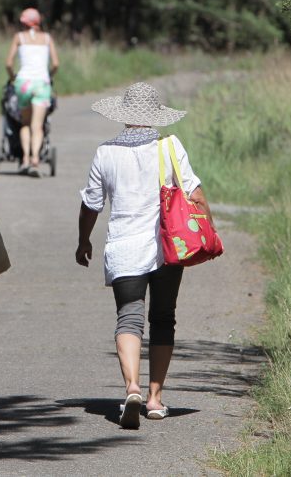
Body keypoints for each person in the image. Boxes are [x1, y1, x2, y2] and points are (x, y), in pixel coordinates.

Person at [74, 82, 214, 430]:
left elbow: (91, 204)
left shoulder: (105, 152)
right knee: (163, 318)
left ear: (124, 117)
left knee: (129, 318)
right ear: (155, 118)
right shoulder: (169, 146)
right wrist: (208, 230)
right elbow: (194, 193)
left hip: (124, 248)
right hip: (167, 247)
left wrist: (83, 240)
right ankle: (154, 399)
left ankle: (131, 387)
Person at [4, 7, 59, 177]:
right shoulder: (47, 38)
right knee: (38, 126)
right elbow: (56, 64)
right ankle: (36, 158)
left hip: (23, 83)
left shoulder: (19, 37)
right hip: (41, 83)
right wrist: (48, 76)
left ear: (23, 22)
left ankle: (25, 158)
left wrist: (13, 77)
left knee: (25, 124)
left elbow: (8, 63)